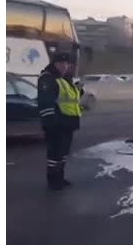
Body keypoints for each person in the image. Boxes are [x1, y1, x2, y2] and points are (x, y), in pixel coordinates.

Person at [37, 51, 83, 191]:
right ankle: (53, 181)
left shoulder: (64, 79)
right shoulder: (48, 78)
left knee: (63, 154)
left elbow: (70, 99)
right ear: (54, 64)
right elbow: (46, 102)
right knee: (54, 155)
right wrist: (51, 123)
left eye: (66, 64)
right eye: (61, 63)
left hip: (67, 123)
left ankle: (60, 178)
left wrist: (80, 90)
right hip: (56, 124)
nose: (64, 66)